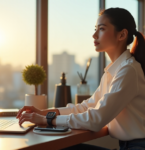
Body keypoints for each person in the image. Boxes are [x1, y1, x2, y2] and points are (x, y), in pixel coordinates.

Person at [16, 7, 145, 150]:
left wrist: (47, 120)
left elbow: (96, 119)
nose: (94, 35)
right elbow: (87, 106)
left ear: (122, 35)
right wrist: (45, 113)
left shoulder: (128, 71)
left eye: (101, 29)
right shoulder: (114, 70)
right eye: (95, 29)